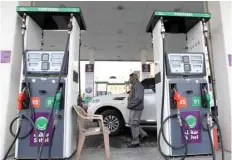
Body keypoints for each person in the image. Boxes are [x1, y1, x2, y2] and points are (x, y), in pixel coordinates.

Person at [127, 73, 148, 148]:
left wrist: (130, 105)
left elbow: (138, 98)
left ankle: (135, 142)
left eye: (131, 78)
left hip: (136, 108)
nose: (129, 79)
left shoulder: (138, 86)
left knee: (134, 124)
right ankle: (143, 134)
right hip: (134, 108)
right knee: (133, 123)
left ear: (134, 78)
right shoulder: (134, 86)